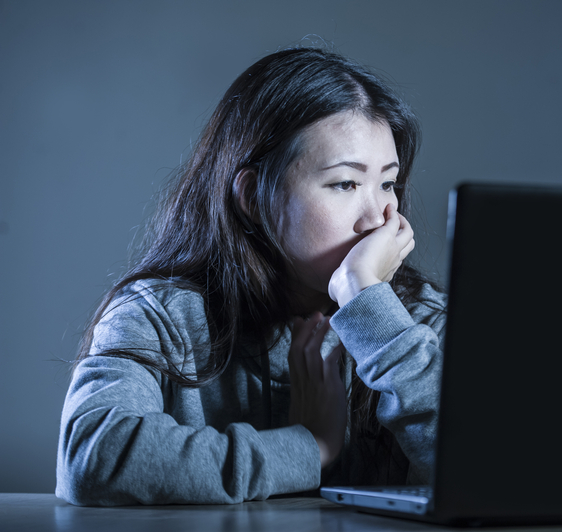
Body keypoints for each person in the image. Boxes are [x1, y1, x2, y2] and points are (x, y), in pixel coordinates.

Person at [56, 47, 446, 506]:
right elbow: (92, 460)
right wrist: (310, 447)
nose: (377, 219)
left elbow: (487, 475)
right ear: (252, 197)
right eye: (345, 184)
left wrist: (370, 308)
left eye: (387, 184)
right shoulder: (159, 317)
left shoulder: (417, 319)